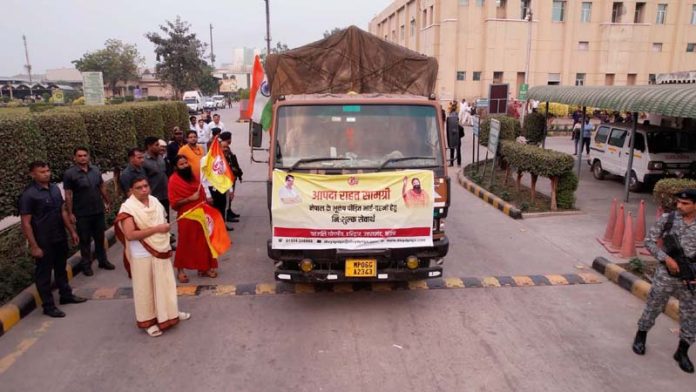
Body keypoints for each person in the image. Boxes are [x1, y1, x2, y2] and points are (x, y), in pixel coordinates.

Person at [114, 176, 191, 337]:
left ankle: (171, 313)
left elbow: (162, 220)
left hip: (160, 248)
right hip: (141, 254)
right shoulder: (127, 209)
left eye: (146, 186)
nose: (144, 190)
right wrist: (157, 229)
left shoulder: (155, 201)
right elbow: (130, 234)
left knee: (165, 283)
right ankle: (148, 322)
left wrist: (163, 230)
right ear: (131, 191)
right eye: (139, 187)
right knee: (146, 289)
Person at [633, 189, 696, 373]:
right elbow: (649, 241)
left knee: (691, 316)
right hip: (665, 274)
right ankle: (641, 335)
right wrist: (666, 258)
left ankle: (682, 352)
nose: (679, 206)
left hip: (691, 276)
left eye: (685, 204)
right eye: (678, 202)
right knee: (653, 306)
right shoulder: (668, 219)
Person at [19, 161, 87, 318]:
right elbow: (26, 223)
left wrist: (71, 231)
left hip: (59, 237)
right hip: (43, 241)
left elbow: (62, 212)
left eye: (48, 170)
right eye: (42, 172)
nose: (46, 174)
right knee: (43, 275)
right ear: (33, 174)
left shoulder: (55, 189)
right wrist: (34, 246)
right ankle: (48, 306)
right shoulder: (28, 195)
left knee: (61, 269)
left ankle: (66, 295)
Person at [63, 147, 115, 276]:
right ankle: (86, 265)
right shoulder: (70, 174)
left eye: (85, 155)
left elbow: (101, 186)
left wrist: (107, 200)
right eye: (79, 156)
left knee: (100, 237)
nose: (82, 158)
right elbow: (68, 195)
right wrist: (70, 213)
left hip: (97, 210)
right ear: (74, 158)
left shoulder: (95, 170)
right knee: (85, 240)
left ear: (88, 156)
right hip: (82, 213)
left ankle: (103, 261)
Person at [168, 155, 218, 282]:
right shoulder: (173, 180)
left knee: (203, 242)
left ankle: (204, 268)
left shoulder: (194, 177)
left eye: (186, 163)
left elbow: (201, 193)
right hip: (186, 216)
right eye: (181, 164)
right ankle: (180, 270)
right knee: (185, 243)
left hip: (201, 215)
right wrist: (189, 199)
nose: (185, 166)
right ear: (175, 167)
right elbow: (174, 203)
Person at [143, 137, 170, 220]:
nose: (159, 147)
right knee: (156, 219)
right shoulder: (143, 161)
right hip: (153, 197)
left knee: (166, 217)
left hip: (165, 195)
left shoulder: (160, 157)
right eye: (157, 145)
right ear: (149, 146)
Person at [219, 132, 243, 221]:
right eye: (230, 138)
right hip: (226, 178)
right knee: (227, 197)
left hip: (232, 176)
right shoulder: (221, 152)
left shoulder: (228, 149)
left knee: (230, 197)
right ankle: (227, 215)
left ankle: (229, 211)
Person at [446, 101, 463, 167]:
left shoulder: (450, 120)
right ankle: (458, 163)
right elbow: (462, 133)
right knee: (457, 150)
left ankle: (452, 163)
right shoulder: (459, 125)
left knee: (452, 150)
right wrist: (459, 136)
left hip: (452, 137)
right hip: (457, 138)